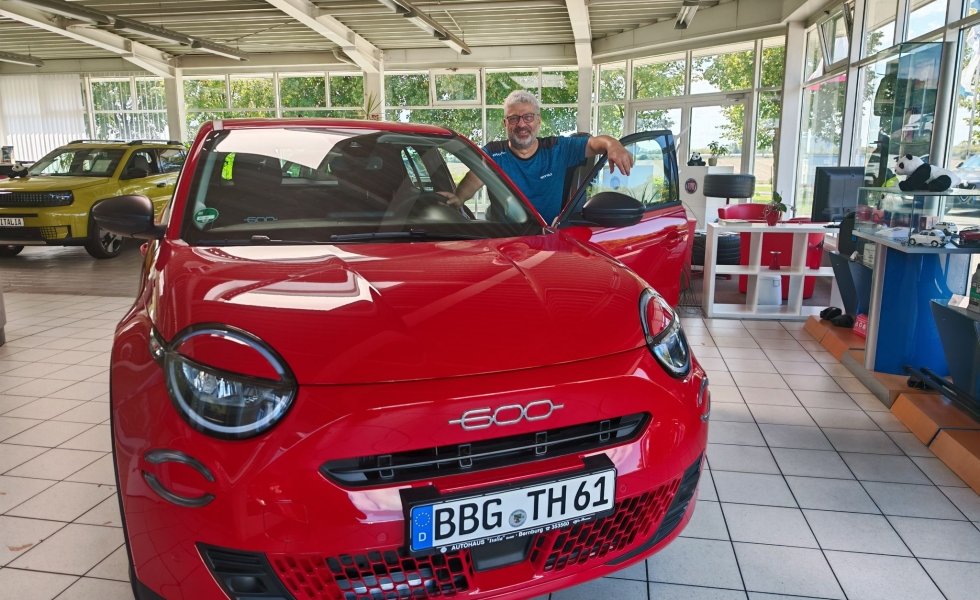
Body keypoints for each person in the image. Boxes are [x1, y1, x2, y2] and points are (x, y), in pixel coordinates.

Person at [442, 90, 634, 224]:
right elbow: (474, 179)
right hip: (504, 240)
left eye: (528, 117)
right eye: (513, 118)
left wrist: (613, 144)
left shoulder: (557, 148)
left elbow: (594, 143)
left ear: (538, 121)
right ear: (505, 123)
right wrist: (457, 199)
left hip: (546, 237)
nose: (521, 124)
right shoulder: (493, 153)